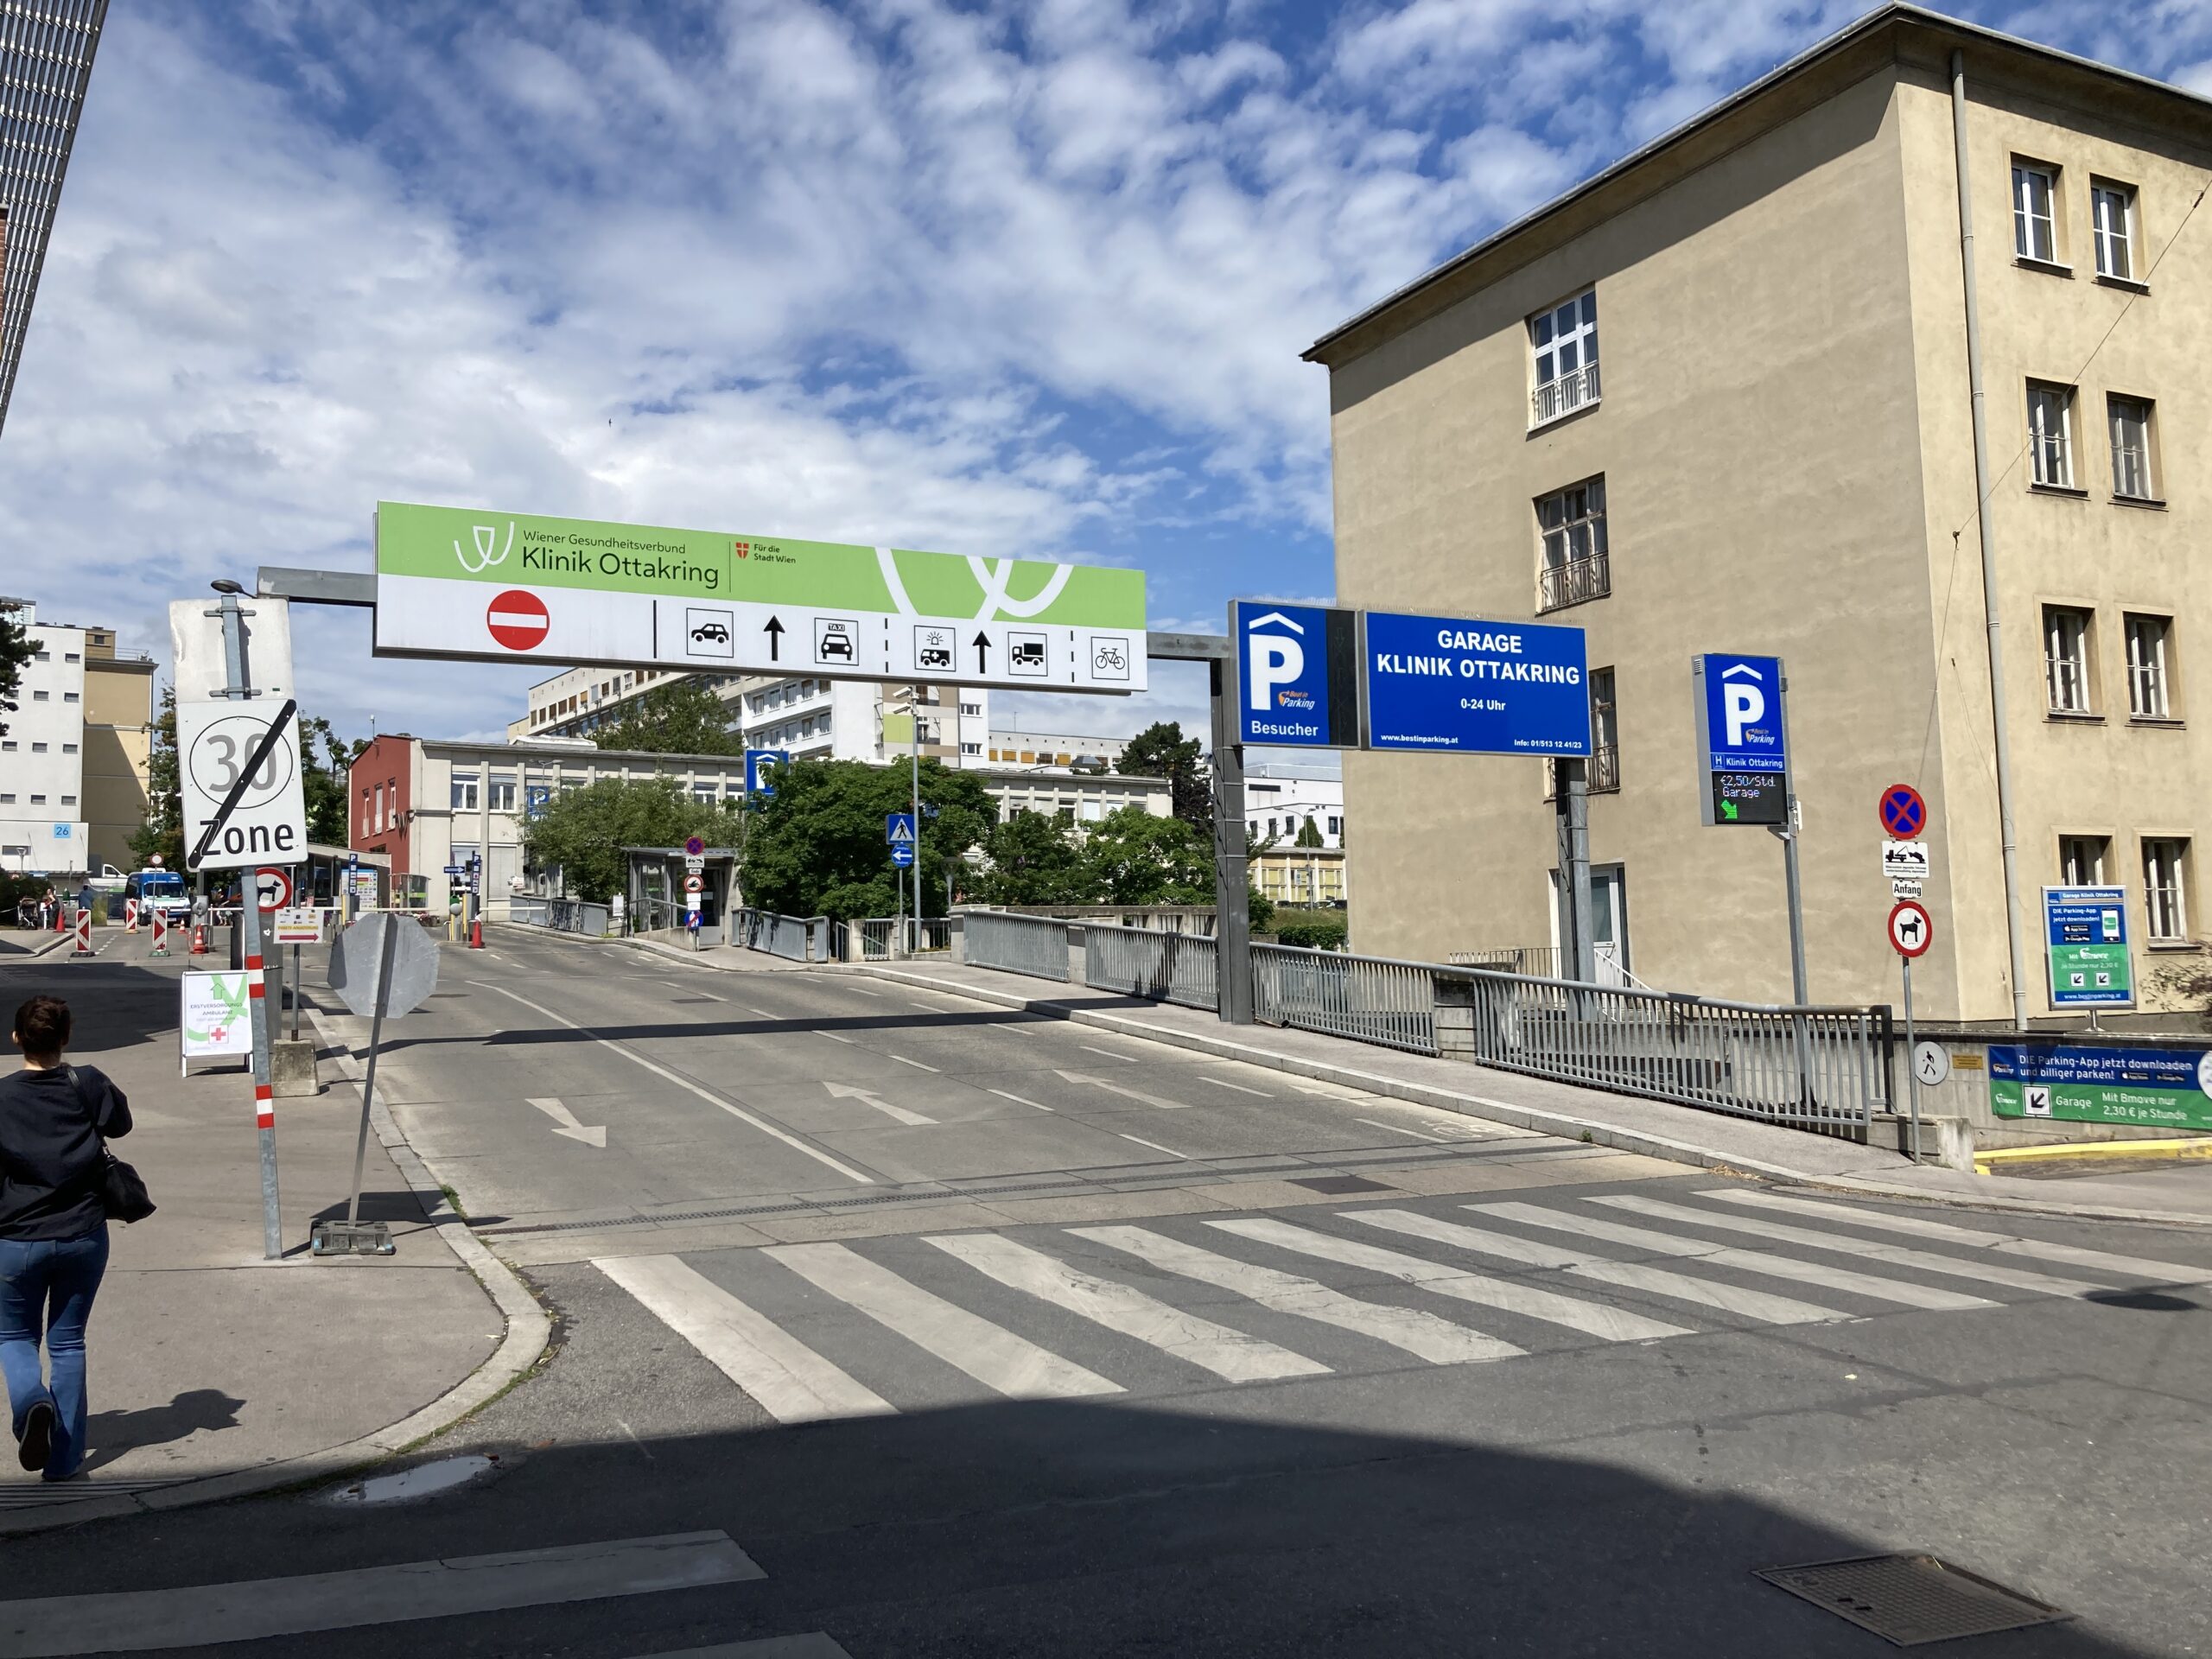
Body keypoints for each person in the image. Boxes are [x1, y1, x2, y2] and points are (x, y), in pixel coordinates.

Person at [0, 995, 130, 1482]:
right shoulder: (88, 1082)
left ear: (17, 1039)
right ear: (66, 1038)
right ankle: (64, 1460)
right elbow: (121, 1124)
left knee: (14, 1335)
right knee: (69, 1343)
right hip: (83, 1233)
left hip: (16, 1238)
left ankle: (33, 1404)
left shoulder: (3, 1096)